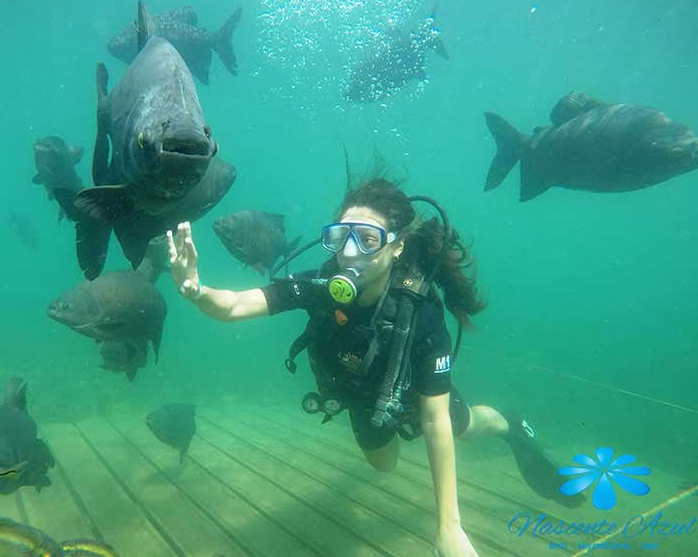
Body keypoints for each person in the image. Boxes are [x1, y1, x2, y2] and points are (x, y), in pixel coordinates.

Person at [166, 178, 581, 557]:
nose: (350, 251)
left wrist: (448, 528)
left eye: (367, 239)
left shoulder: (421, 314)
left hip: (418, 394)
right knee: (384, 465)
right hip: (364, 399)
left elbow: (434, 420)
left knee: (462, 426)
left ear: (396, 245)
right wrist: (195, 290)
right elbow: (237, 305)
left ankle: (506, 423)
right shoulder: (319, 287)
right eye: (340, 237)